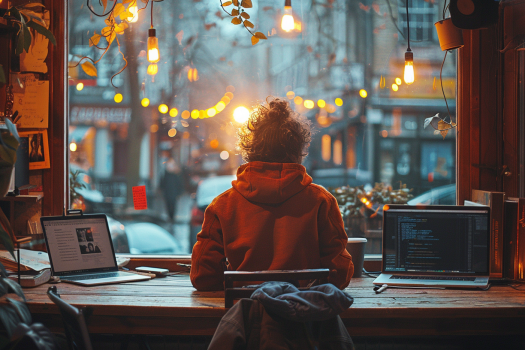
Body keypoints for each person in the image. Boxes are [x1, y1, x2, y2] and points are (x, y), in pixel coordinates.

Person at [190, 97, 354, 291]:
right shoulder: (321, 202)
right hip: (305, 317)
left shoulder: (222, 205)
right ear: (298, 150)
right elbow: (339, 274)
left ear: (250, 149)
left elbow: (203, 277)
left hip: (243, 316)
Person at [160, 154, 183, 222]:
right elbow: (162, 184)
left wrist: (179, 192)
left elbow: (179, 184)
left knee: (173, 205)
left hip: (174, 193)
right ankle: (170, 217)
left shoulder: (176, 175)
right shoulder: (166, 175)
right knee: (168, 205)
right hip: (168, 193)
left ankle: (172, 217)